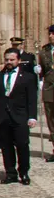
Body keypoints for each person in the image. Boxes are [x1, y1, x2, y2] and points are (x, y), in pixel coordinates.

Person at [0, 48, 37, 185]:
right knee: (6, 146)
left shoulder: (28, 77)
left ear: (18, 60)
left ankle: (24, 172)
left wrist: (32, 116)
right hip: (2, 117)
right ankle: (10, 172)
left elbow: (32, 99)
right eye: (7, 59)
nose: (9, 62)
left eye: (12, 60)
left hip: (20, 117)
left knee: (22, 144)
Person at [38, 25, 54, 162]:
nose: (50, 36)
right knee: (51, 121)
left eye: (53, 34)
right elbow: (42, 71)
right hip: (49, 89)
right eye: (50, 33)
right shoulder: (44, 52)